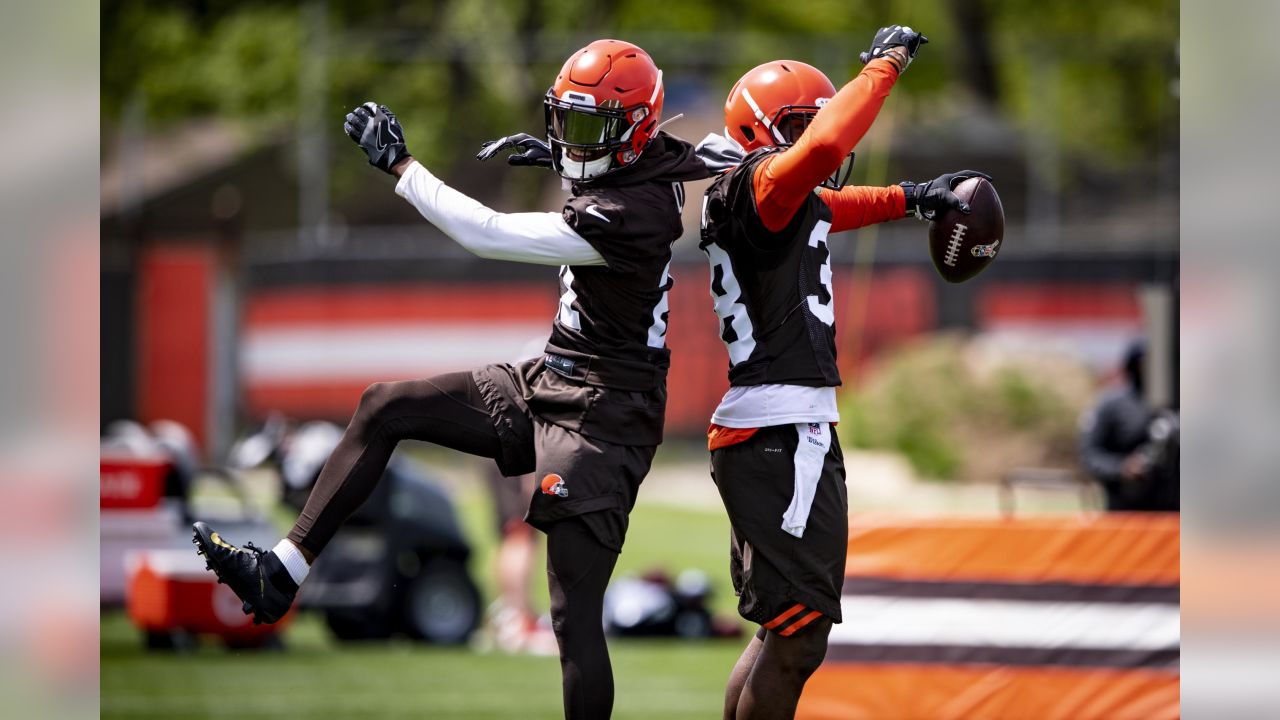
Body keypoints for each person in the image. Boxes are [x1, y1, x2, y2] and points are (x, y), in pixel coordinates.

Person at [193, 38, 708, 719]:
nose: (573, 144)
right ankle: (279, 575)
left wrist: (403, 167)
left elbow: (488, 232)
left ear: (636, 130)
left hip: (607, 414)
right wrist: (556, 149)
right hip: (551, 372)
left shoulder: (631, 216)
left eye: (589, 130)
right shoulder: (654, 155)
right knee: (386, 406)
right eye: (566, 124)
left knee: (572, 616)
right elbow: (703, 154)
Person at [693, 26, 990, 719]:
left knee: (782, 630)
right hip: (780, 429)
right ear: (757, 132)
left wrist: (913, 197)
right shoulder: (760, 184)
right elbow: (824, 150)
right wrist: (884, 67)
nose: (819, 138)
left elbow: (832, 206)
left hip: (773, 428)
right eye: (799, 124)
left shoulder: (769, 198)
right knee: (799, 641)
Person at [1079, 339, 1179, 511]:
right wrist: (1122, 468)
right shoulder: (1111, 405)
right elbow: (1090, 454)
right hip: (1127, 511)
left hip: (1171, 513)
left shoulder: (1176, 402)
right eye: (1145, 363)